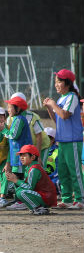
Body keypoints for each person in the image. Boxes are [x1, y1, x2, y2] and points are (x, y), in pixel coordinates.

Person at [43, 69, 84, 209]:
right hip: (63, 141)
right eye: (56, 82)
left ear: (67, 83)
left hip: (73, 140)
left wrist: (53, 104)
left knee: (75, 170)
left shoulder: (72, 96)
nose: (56, 84)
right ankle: (66, 199)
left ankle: (80, 198)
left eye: (59, 81)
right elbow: (57, 118)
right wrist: (50, 107)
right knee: (63, 171)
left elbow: (65, 115)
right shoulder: (61, 99)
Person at [6, 145, 57, 215]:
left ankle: (39, 208)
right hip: (43, 195)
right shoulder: (30, 167)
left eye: (24, 155)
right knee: (19, 190)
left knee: (21, 192)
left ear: (33, 157)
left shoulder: (34, 169)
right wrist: (15, 180)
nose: (21, 158)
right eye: (20, 155)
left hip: (46, 197)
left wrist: (16, 180)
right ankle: (35, 208)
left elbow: (29, 187)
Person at [2, 96, 33, 210]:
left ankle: (21, 201)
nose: (8, 109)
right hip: (17, 155)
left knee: (19, 177)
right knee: (17, 176)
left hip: (22, 155)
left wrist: (3, 129)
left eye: (10, 107)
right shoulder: (17, 119)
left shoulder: (19, 119)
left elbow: (13, 135)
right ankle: (18, 200)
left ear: (18, 108)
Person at [8, 92, 51, 167]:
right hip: (26, 148)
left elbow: (39, 136)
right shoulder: (10, 118)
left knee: (38, 168)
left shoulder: (32, 116)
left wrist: (37, 156)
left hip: (41, 146)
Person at [44, 127, 60, 195]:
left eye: (48, 138)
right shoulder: (40, 150)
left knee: (56, 183)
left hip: (54, 178)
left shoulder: (57, 151)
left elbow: (59, 170)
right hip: (43, 178)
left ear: (53, 139)